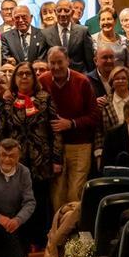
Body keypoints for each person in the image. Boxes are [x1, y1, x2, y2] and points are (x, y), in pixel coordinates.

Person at [0, 61, 61, 248]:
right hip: (15, 163)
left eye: (28, 74)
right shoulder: (7, 104)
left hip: (41, 161)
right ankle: (20, 243)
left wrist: (57, 159)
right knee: (18, 203)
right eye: (20, 74)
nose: (24, 77)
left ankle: (40, 244)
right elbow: (0, 135)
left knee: (40, 202)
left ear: (34, 78)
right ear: (14, 79)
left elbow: (55, 131)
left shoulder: (45, 99)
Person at [39, 47, 98, 210]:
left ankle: (75, 233)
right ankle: (58, 233)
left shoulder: (82, 81)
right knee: (57, 195)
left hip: (79, 145)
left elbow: (94, 116)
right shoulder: (42, 81)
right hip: (53, 148)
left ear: (68, 61)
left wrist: (71, 123)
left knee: (75, 193)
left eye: (60, 62)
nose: (56, 67)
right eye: (52, 63)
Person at [40, 0, 94, 73]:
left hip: (78, 77)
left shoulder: (83, 31)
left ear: (72, 12)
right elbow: (43, 60)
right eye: (59, 10)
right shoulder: (45, 33)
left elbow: (90, 60)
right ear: (55, 12)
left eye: (66, 10)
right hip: (55, 77)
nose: (62, 14)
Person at [92, 8, 129, 73]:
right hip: (98, 80)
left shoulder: (123, 40)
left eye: (109, 19)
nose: (106, 22)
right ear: (99, 23)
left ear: (115, 21)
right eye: (103, 19)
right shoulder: (92, 39)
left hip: (120, 80)